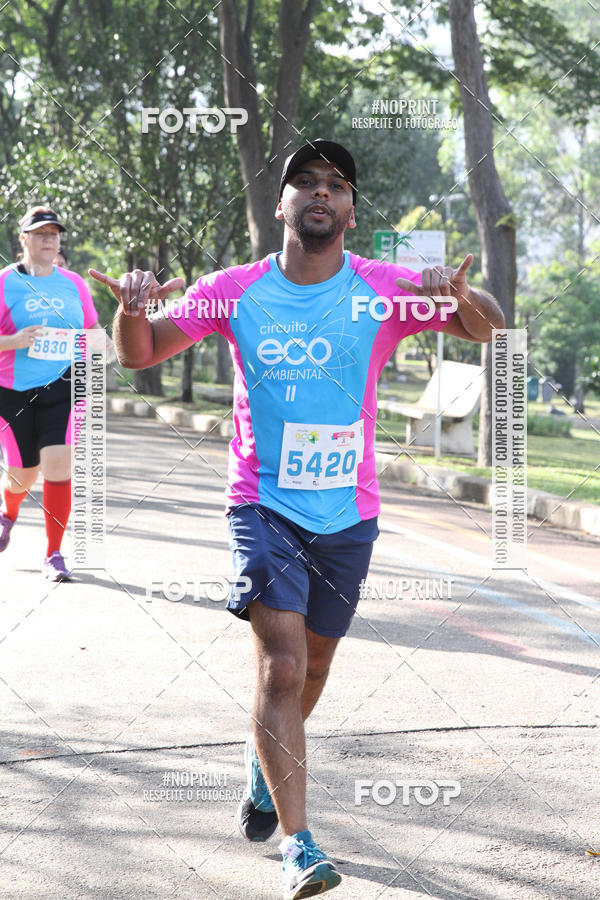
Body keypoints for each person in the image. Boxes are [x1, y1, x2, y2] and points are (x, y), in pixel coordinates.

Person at [90, 138, 505, 899]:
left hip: (348, 512)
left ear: (349, 210)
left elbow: (488, 326)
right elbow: (141, 353)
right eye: (304, 182)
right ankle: (299, 844)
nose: (321, 192)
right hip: (263, 502)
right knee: (280, 665)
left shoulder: (384, 289)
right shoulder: (232, 289)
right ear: (280, 205)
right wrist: (129, 313)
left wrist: (457, 296)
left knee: (314, 668)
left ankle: (263, 763)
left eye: (337, 184)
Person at [0, 206, 100, 580]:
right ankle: (7, 513)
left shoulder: (73, 283)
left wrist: (97, 345)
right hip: (11, 391)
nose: (48, 239)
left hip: (63, 386)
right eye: (40, 233)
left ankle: (54, 554)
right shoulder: (4, 283)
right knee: (22, 475)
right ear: (23, 238)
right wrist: (13, 340)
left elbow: (90, 330)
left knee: (58, 464)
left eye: (54, 234)